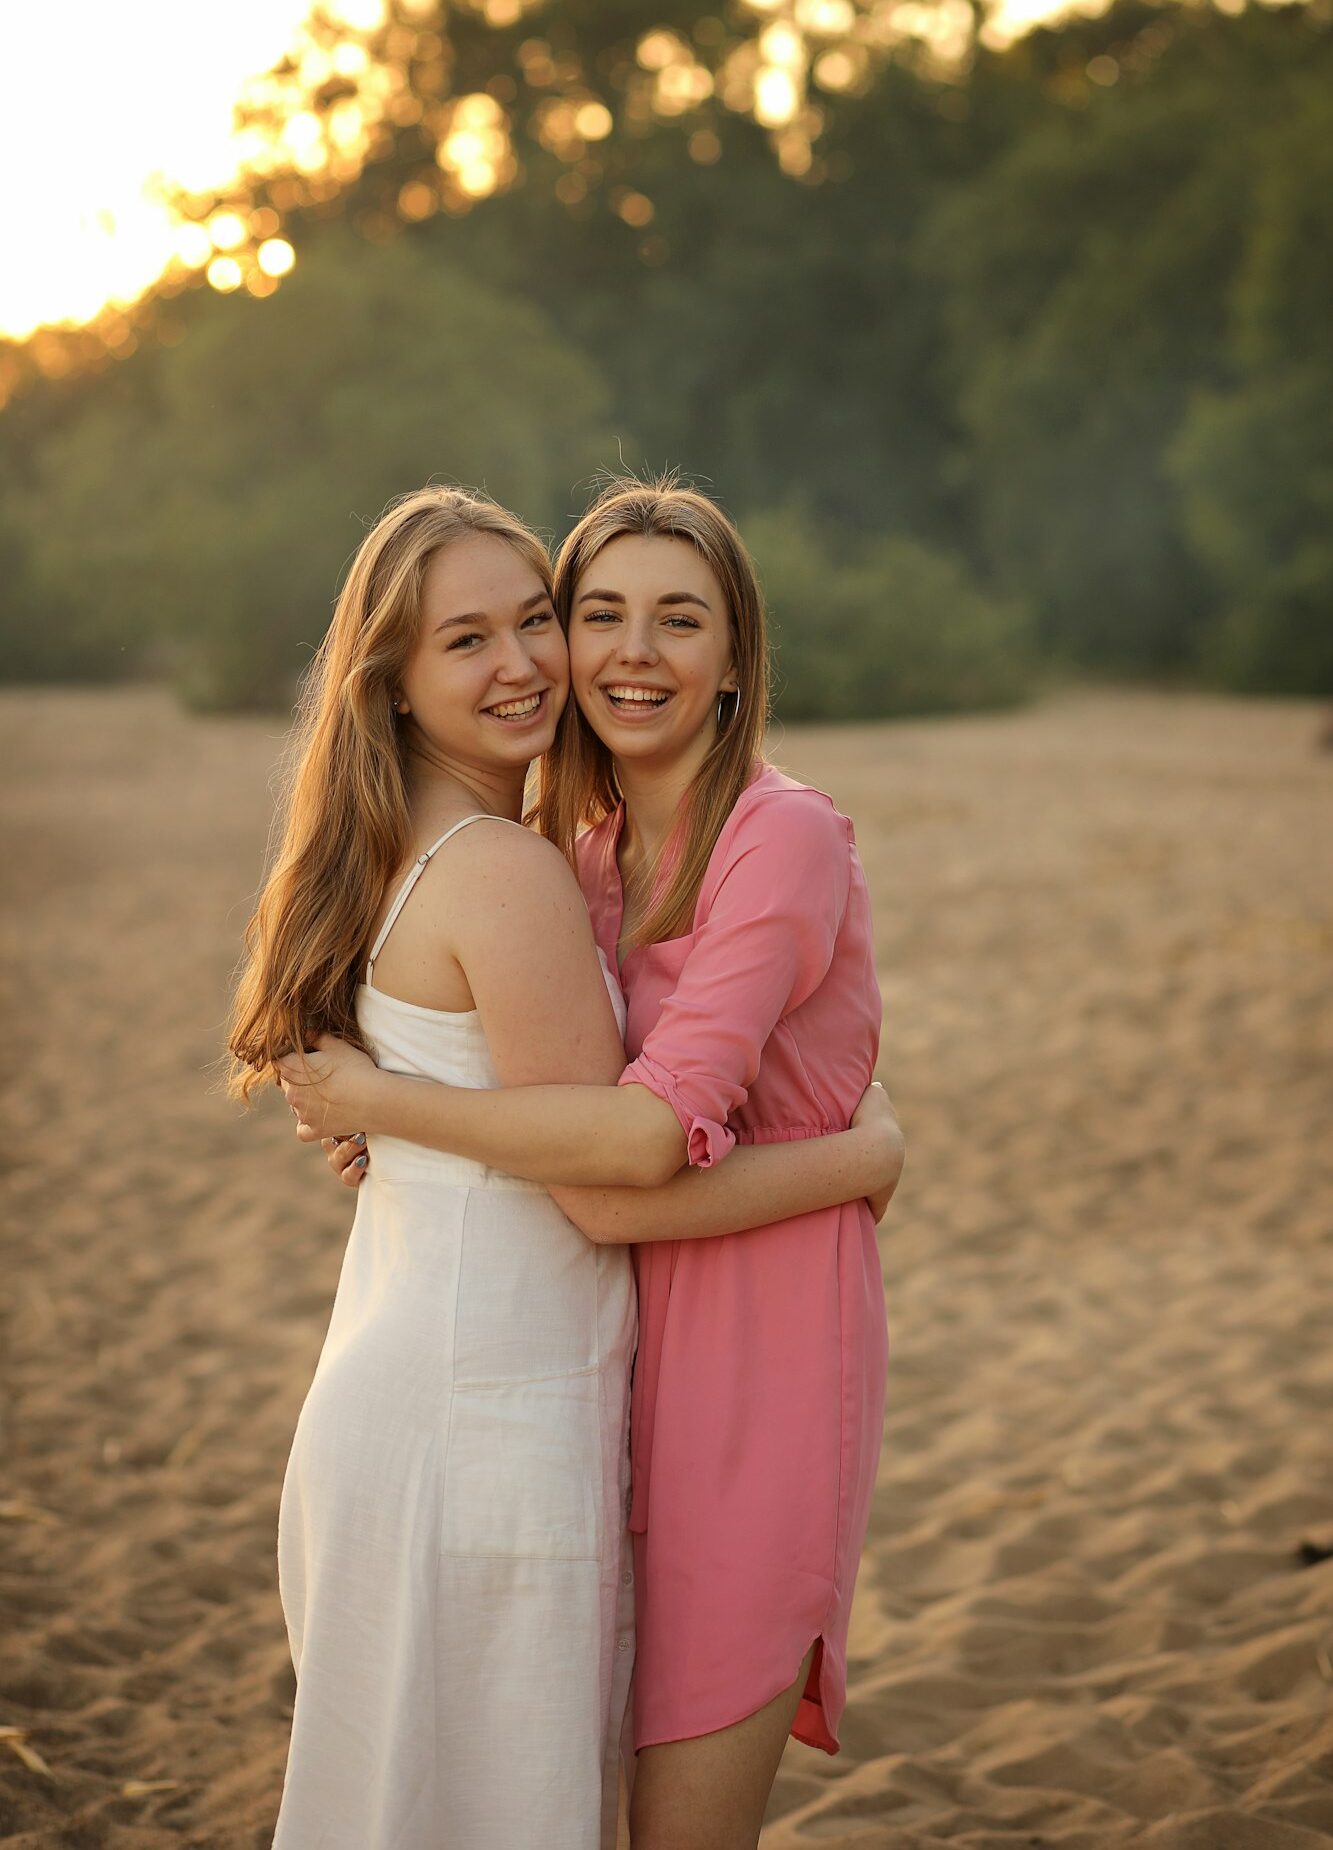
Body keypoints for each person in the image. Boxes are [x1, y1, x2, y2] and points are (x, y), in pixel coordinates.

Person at [233, 484, 901, 1850]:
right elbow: (605, 1169)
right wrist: (864, 1154)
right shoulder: (554, 862)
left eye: (535, 619)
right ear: (395, 685)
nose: (572, 656)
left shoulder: (738, 838)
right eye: (592, 612)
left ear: (736, 653)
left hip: (674, 1361)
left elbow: (595, 1130)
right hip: (508, 1386)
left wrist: (393, 1101)